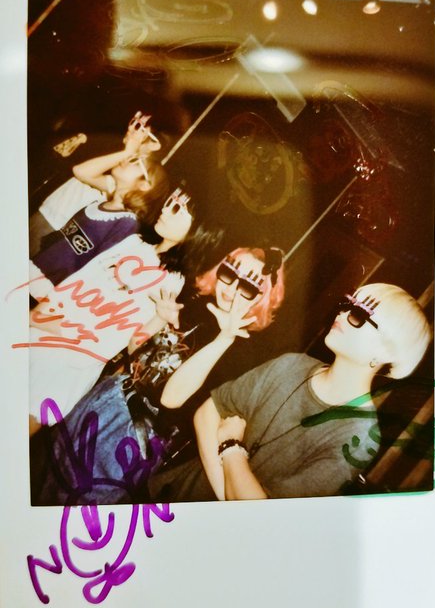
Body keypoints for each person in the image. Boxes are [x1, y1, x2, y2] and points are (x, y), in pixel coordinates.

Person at [33, 247, 285, 505]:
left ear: (262, 297)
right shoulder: (197, 304)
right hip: (107, 397)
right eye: (229, 273)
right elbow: (135, 350)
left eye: (248, 286)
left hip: (134, 432)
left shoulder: (243, 350)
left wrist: (224, 338)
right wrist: (159, 318)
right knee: (46, 470)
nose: (231, 287)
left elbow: (171, 398)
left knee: (73, 501)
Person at [145, 282, 432, 502]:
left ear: (386, 351)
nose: (343, 314)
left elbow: (264, 514)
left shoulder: (357, 436)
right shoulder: (292, 364)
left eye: (359, 315)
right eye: (347, 304)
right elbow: (207, 414)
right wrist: (229, 498)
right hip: (163, 497)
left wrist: (231, 447)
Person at [28, 185, 221, 435]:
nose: (166, 210)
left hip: (66, 362)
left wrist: (160, 319)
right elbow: (77, 282)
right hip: (39, 331)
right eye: (170, 201)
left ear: (197, 232)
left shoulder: (170, 281)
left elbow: (113, 339)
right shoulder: (135, 241)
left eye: (178, 209)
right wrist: (38, 315)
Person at [29, 111, 169, 298]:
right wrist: (127, 150)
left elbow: (96, 264)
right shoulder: (118, 155)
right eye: (134, 123)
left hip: (57, 237)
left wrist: (129, 152)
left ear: (154, 144)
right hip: (52, 226)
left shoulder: (131, 180)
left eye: (140, 129)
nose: (132, 131)